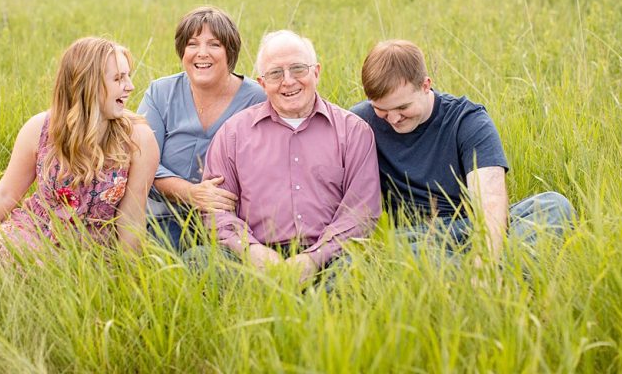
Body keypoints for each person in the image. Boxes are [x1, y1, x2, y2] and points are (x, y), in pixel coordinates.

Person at [350, 40, 574, 262]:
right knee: (372, 255)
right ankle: (492, 276)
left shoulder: (468, 120)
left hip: (472, 228)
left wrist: (485, 258)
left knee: (554, 205)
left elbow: (491, 200)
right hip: (414, 239)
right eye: (381, 109)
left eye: (403, 107)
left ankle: (479, 273)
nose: (393, 119)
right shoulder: (358, 122)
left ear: (426, 85)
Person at [191, 30, 381, 283]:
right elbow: (216, 212)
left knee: (360, 272)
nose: (288, 81)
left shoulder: (354, 131)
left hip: (330, 258)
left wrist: (313, 258)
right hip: (253, 257)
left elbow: (361, 212)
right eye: (275, 73)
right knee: (198, 261)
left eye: (298, 69)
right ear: (262, 82)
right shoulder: (233, 134)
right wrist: (252, 251)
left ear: (316, 72)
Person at [0, 37, 159, 261]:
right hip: (36, 231)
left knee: (69, 282)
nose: (130, 86)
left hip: (94, 249)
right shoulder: (40, 128)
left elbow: (131, 216)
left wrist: (131, 279)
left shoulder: (139, 139)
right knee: (10, 258)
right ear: (89, 85)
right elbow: (6, 194)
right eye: (119, 78)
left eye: (128, 76)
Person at [137, 6, 265, 250]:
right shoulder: (160, 93)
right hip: (164, 216)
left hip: (230, 220)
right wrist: (191, 193)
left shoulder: (256, 99)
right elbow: (142, 161)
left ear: (230, 52)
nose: (201, 53)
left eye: (214, 44)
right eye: (192, 44)